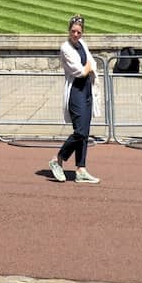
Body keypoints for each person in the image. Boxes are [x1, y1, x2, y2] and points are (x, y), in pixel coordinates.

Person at [47, 15, 99, 185]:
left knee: (85, 133)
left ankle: (81, 169)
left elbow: (92, 63)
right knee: (80, 132)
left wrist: (88, 67)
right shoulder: (65, 48)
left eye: (79, 32)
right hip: (76, 92)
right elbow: (79, 71)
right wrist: (88, 68)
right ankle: (58, 158)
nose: (76, 34)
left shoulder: (82, 44)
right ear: (69, 31)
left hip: (87, 90)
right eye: (73, 31)